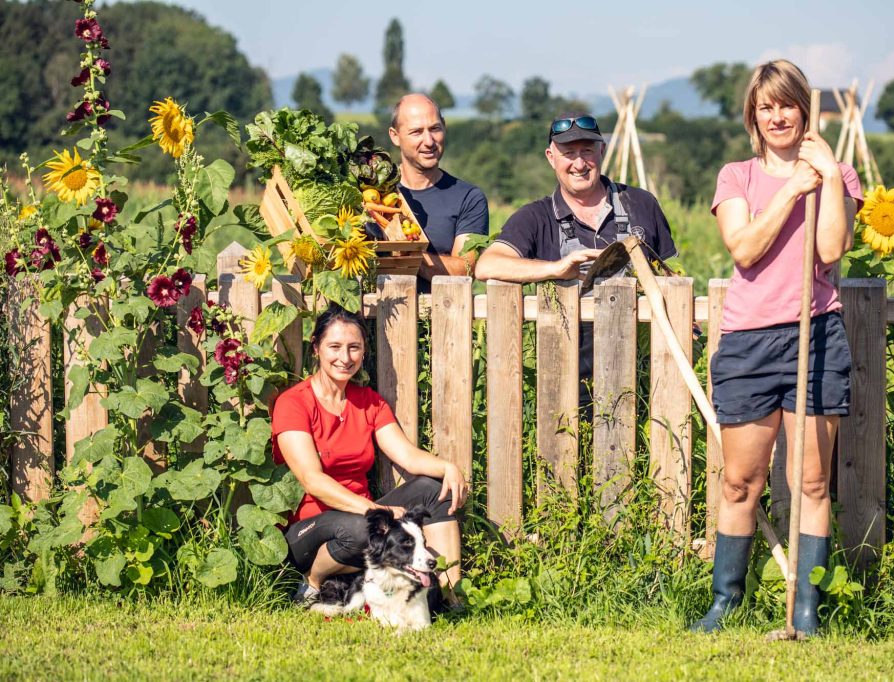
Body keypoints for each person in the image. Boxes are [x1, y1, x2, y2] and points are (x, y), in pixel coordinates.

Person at [690, 60, 863, 636]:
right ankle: (725, 601)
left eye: (787, 104)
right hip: (748, 341)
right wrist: (792, 188)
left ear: (804, 111)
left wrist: (830, 179)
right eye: (766, 107)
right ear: (753, 117)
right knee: (740, 481)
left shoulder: (837, 172)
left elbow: (832, 249)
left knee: (812, 482)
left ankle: (807, 610)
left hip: (816, 335)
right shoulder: (736, 176)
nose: (777, 115)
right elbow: (744, 249)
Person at [474, 112, 677, 406]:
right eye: (568, 153)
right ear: (551, 157)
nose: (579, 164)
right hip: (566, 382)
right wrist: (557, 268)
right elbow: (488, 264)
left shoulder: (641, 203)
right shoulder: (535, 217)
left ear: (602, 151)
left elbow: (671, 276)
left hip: (647, 378)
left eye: (587, 151)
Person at [273, 305, 468, 607]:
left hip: (365, 516)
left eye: (354, 348)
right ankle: (311, 582)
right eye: (334, 347)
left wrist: (448, 467)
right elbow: (312, 480)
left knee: (433, 489)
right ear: (316, 348)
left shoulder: (369, 403)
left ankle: (451, 596)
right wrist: (375, 510)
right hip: (310, 529)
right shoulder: (293, 403)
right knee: (361, 530)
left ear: (363, 352)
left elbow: (407, 456)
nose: (345, 357)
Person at [388, 93, 489, 290]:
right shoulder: (373, 193)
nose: (429, 141)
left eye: (435, 129)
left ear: (445, 127)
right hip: (375, 317)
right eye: (416, 132)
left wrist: (405, 254)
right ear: (395, 136)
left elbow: (465, 270)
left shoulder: (468, 198)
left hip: (442, 317)